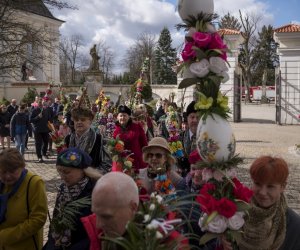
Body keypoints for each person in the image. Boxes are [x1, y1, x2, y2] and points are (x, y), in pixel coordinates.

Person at [222, 156, 300, 250]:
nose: (262, 192)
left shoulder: (294, 226)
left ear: (282, 187)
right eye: (258, 184)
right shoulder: (236, 211)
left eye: (270, 186)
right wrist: (221, 242)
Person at [44, 147, 102, 250]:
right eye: (59, 171)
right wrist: (51, 244)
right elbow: (56, 220)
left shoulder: (96, 191)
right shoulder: (63, 189)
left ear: (83, 171)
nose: (61, 177)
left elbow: (97, 232)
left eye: (66, 172)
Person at [0, 148, 48, 250]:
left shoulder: (34, 183)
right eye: (3, 172)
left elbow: (38, 219)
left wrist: (5, 236)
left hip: (24, 245)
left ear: (22, 167)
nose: (7, 176)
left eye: (13, 171)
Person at [81, 172, 139, 249]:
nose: (98, 225)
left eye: (106, 217)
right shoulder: (92, 240)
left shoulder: (155, 242)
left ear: (133, 208)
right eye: (96, 214)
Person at [65, 107, 111, 173]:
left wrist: (89, 173)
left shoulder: (100, 139)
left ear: (90, 121)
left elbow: (107, 165)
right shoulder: (68, 139)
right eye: (76, 120)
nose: (79, 122)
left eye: (83, 120)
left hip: (93, 181)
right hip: (71, 181)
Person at [113, 105, 148, 171]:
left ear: (129, 117)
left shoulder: (137, 126)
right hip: (121, 161)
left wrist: (146, 156)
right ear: (117, 117)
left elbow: (144, 143)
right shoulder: (116, 130)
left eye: (125, 115)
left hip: (136, 160)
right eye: (121, 116)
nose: (122, 118)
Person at [178, 101, 200, 176]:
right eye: (192, 117)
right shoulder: (181, 137)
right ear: (187, 118)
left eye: (198, 117)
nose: (195, 120)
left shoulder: (206, 138)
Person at [30, 99, 53, 163]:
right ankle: (39, 157)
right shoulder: (34, 110)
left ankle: (44, 153)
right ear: (37, 103)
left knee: (46, 142)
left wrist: (51, 127)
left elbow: (49, 119)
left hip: (45, 129)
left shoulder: (46, 110)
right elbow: (31, 120)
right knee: (38, 144)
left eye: (42, 103)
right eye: (39, 103)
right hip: (37, 130)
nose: (41, 104)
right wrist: (38, 117)